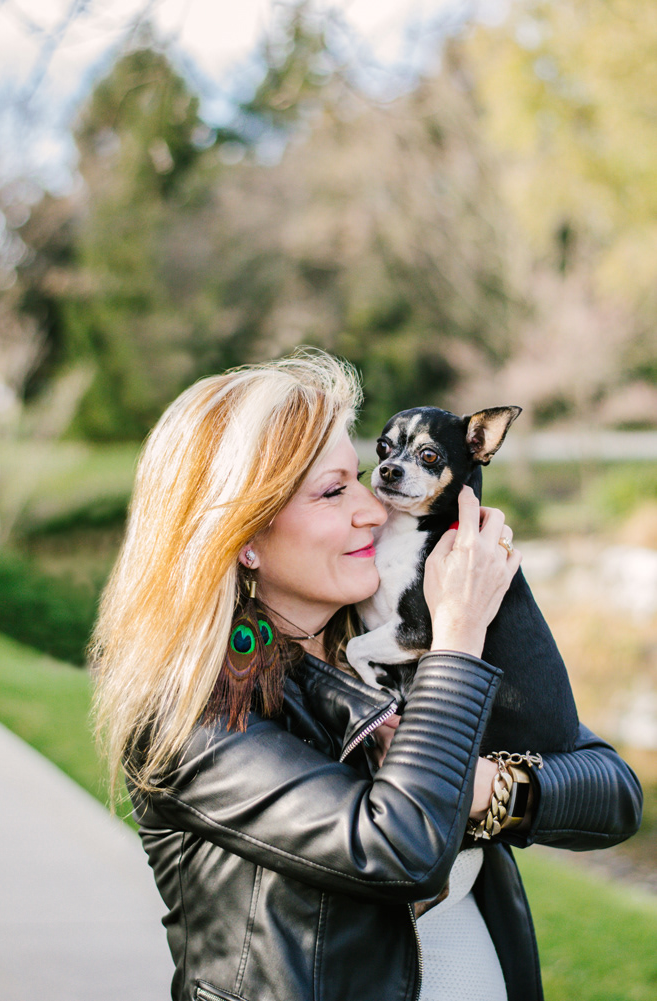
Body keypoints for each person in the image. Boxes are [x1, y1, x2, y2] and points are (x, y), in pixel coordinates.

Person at [92, 350, 642, 1001]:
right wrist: (457, 638)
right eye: (332, 490)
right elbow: (400, 844)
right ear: (241, 535)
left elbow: (611, 792)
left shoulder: (379, 630)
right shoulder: (192, 715)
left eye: (358, 475)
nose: (374, 507)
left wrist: (474, 784)